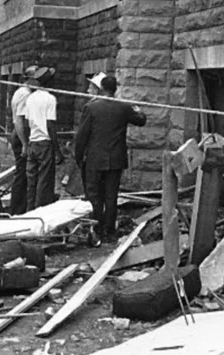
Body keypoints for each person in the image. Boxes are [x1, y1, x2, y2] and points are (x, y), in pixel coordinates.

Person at [75, 74, 146, 243]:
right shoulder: (123, 108)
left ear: (101, 88)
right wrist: (137, 108)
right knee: (111, 195)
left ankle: (96, 228)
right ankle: (110, 230)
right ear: (115, 89)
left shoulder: (91, 108)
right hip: (115, 159)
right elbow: (141, 120)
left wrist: (79, 157)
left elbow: (82, 136)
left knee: (94, 195)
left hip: (94, 158)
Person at [25, 66, 63, 211]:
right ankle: (40, 213)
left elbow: (27, 123)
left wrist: (28, 142)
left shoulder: (31, 98)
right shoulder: (50, 99)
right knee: (44, 182)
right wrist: (57, 150)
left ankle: (29, 211)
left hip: (33, 142)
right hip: (45, 142)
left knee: (32, 181)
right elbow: (50, 125)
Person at [10, 65, 38, 215]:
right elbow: (19, 121)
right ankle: (17, 210)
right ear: (29, 79)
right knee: (22, 174)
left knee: (22, 173)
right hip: (21, 136)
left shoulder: (20, 91)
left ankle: (19, 207)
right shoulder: (25, 94)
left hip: (20, 135)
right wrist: (25, 144)